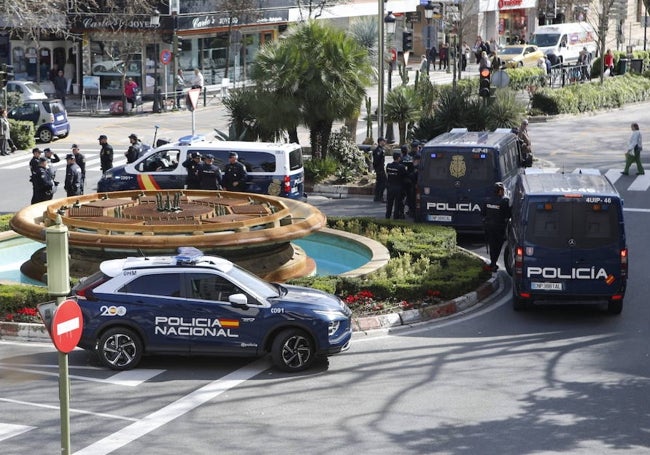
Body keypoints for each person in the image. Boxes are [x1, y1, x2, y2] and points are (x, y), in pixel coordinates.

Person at [481, 182, 511, 272]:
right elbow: (508, 215)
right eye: (502, 190)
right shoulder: (504, 201)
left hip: (489, 227)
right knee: (497, 246)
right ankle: (493, 263)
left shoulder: (487, 200)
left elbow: (483, 214)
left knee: (492, 245)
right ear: (500, 191)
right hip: (499, 228)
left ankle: (493, 263)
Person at [385, 151, 407, 219]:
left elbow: (388, 173)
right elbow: (405, 176)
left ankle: (387, 216)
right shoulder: (401, 167)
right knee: (397, 203)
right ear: (399, 158)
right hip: (398, 187)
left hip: (390, 187)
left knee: (389, 203)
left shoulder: (388, 166)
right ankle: (395, 216)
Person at [372, 137, 387, 202]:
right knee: (383, 183)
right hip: (380, 169)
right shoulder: (379, 150)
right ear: (380, 142)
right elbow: (376, 161)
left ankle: (377, 196)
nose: (385, 142)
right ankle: (379, 196)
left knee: (379, 183)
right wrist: (377, 168)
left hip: (380, 168)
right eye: (384, 141)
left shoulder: (381, 149)